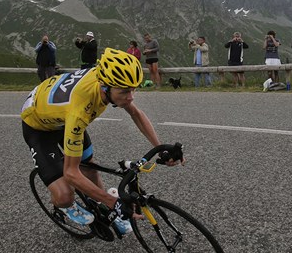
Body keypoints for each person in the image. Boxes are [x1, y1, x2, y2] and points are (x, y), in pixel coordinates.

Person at [21, 48, 183, 236]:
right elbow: (71, 173)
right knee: (65, 195)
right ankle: (65, 207)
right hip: (38, 125)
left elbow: (136, 114)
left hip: (61, 112)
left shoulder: (108, 79)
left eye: (133, 89)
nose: (131, 97)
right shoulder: (80, 111)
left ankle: (106, 211)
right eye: (124, 92)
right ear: (105, 87)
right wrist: (114, 202)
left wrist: (160, 149)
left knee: (90, 168)